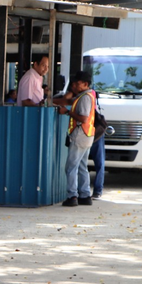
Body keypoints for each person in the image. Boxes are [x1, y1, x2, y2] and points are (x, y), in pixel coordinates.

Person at [54, 71, 96, 206]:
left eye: (78, 83)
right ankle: (85, 196)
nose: (75, 85)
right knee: (83, 167)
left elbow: (83, 118)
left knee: (71, 167)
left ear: (85, 84)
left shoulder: (84, 98)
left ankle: (72, 196)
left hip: (80, 135)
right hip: (87, 135)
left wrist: (66, 112)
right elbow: (67, 99)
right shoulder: (89, 95)